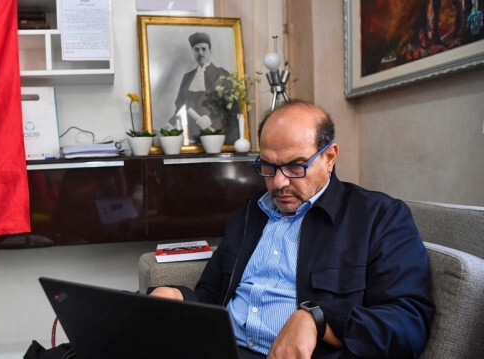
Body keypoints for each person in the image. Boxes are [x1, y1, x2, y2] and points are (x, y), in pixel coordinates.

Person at [150, 99, 435, 358]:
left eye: (296, 166)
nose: (279, 183)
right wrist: (178, 296)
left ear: (330, 157)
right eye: (268, 167)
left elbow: (408, 324)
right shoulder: (248, 216)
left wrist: (318, 320)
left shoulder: (379, 217)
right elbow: (212, 296)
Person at [164, 32, 238, 144]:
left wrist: (210, 119)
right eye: (196, 50)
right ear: (193, 52)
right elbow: (181, 105)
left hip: (214, 135)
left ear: (210, 51)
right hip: (191, 136)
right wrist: (170, 123)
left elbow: (229, 106)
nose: (200, 53)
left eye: (204, 49)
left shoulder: (221, 74)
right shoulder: (188, 77)